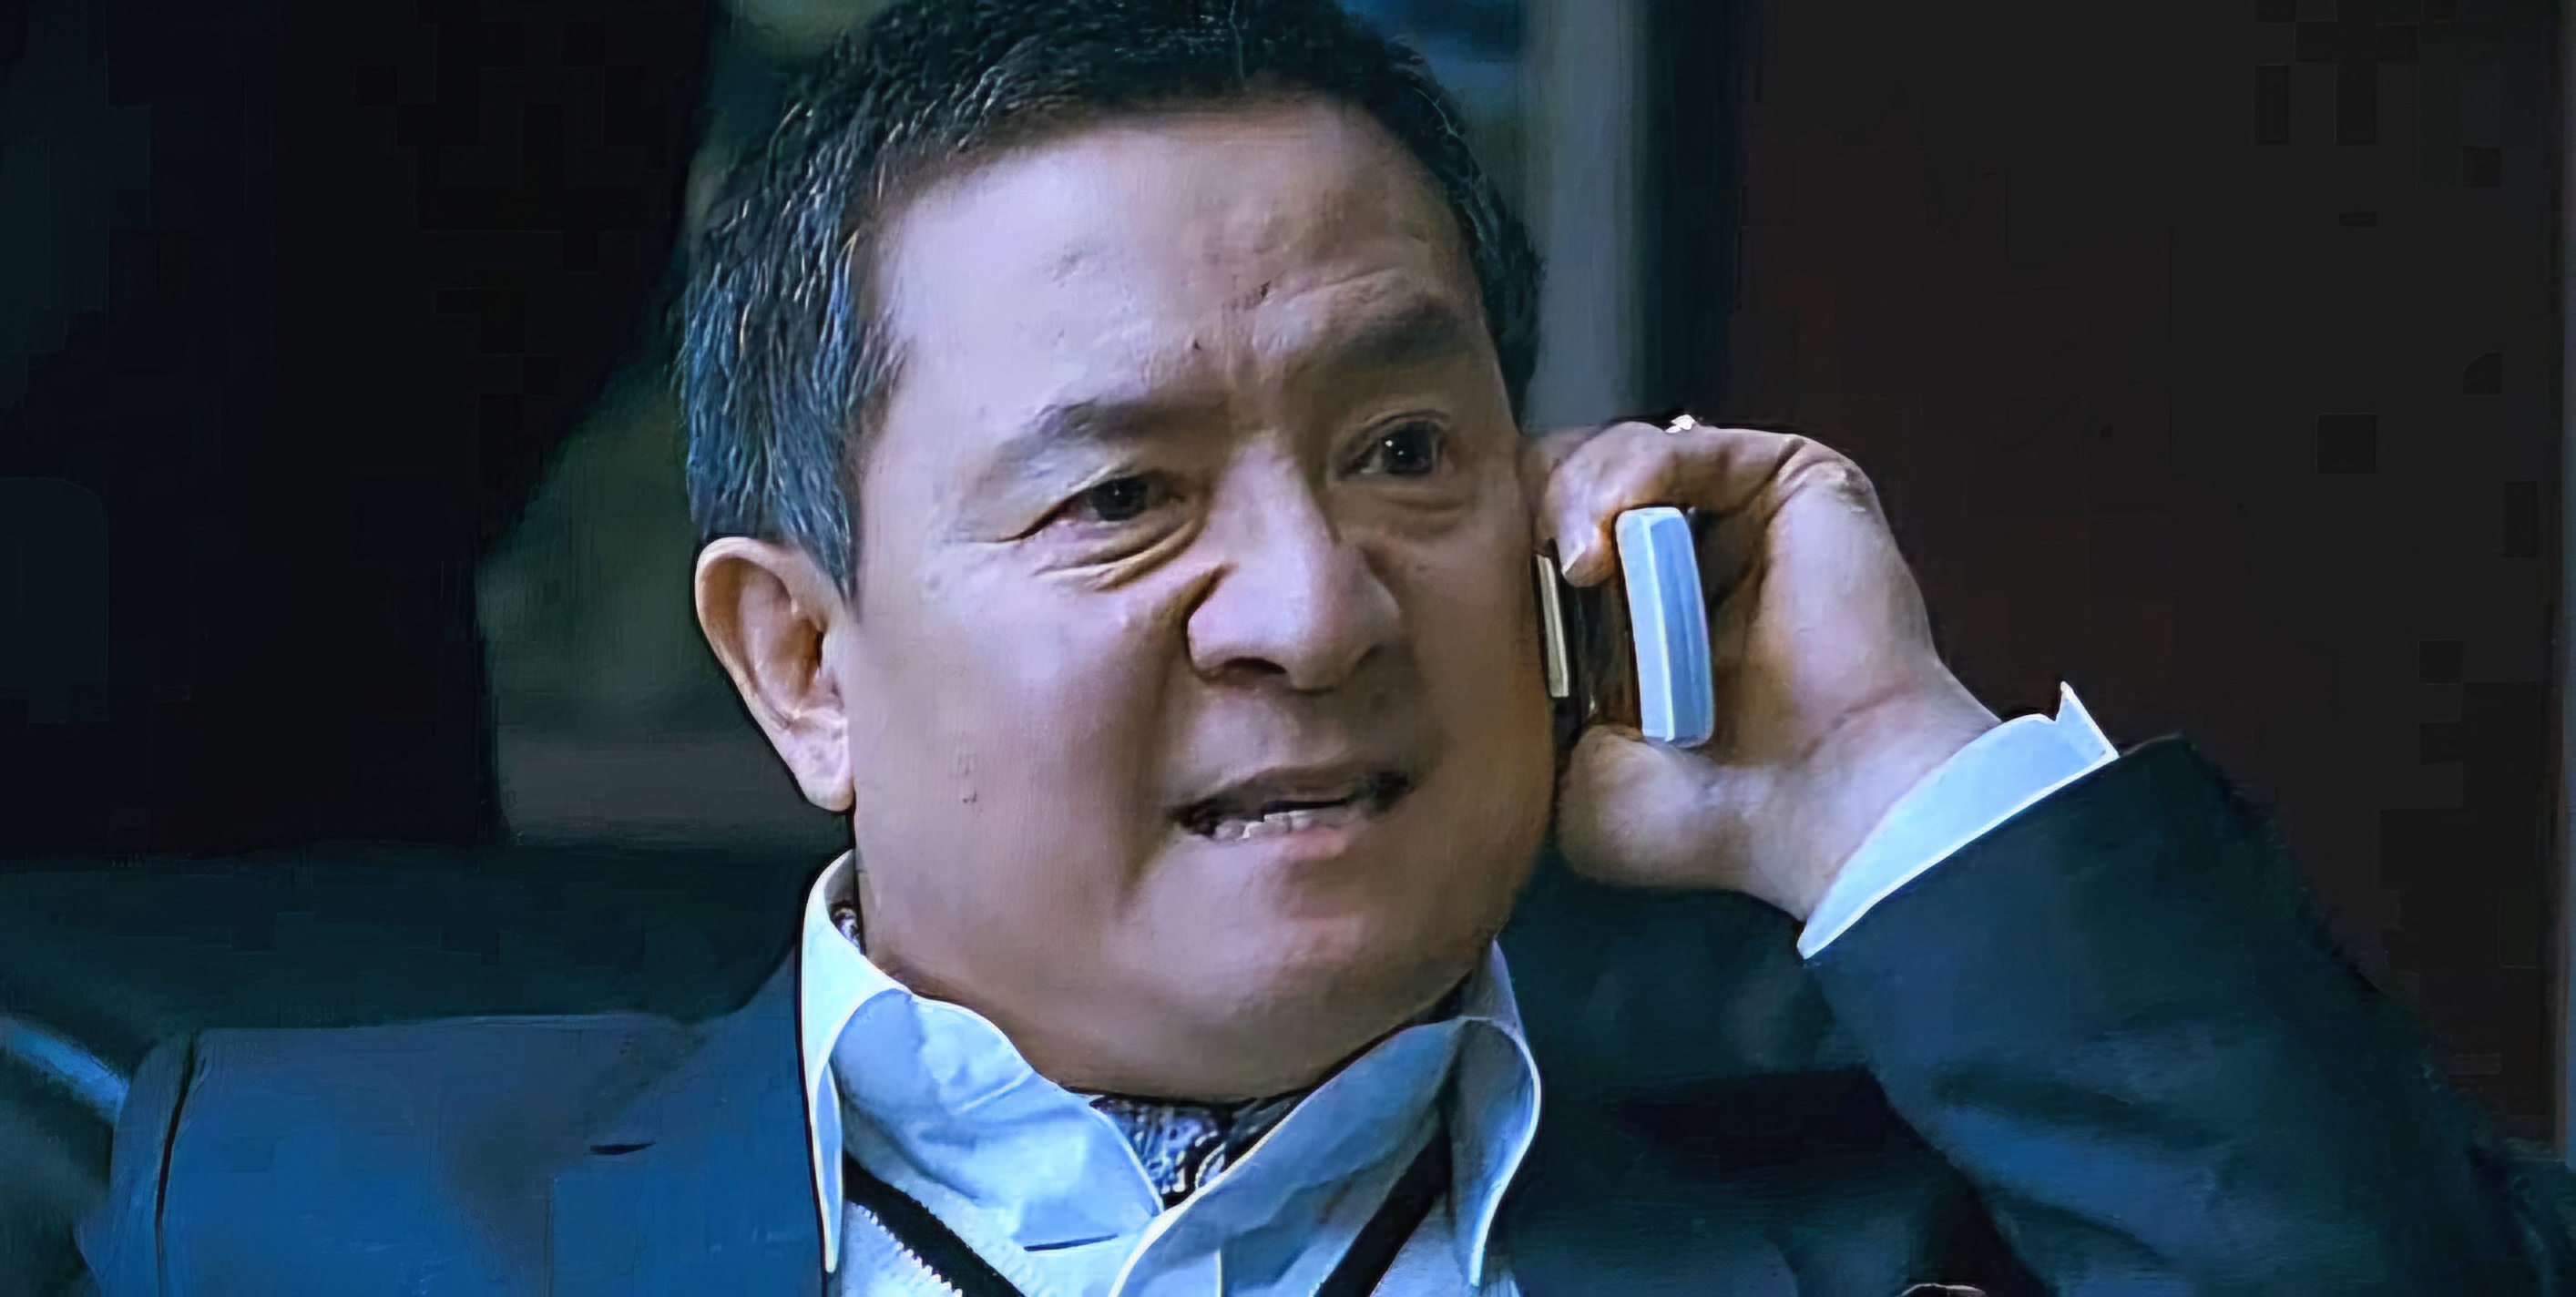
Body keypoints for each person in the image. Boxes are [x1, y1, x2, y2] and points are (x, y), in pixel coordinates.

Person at [73, 1, 2576, 1293]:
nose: (1313, 607)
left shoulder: (1924, 1225)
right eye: (1121, 496)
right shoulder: (293, 1210)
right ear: (804, 662)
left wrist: (1877, 774)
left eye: (1400, 452)